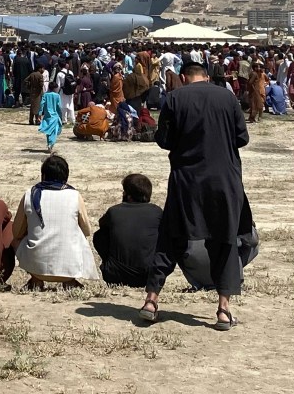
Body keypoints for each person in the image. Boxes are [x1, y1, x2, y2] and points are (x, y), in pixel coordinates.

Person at [141, 61, 252, 330]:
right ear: (206, 75)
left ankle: (151, 300)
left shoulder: (175, 98)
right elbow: (242, 138)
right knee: (224, 241)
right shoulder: (227, 97)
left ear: (183, 76)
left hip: (186, 180)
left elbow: (164, 140)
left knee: (171, 238)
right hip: (224, 180)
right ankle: (223, 309)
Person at [13, 155, 99, 290]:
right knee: (80, 237)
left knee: (16, 240)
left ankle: (36, 280)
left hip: (36, 267)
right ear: (66, 176)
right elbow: (87, 231)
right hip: (69, 268)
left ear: (43, 175)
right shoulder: (74, 195)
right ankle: (70, 281)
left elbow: (16, 232)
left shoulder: (30, 194)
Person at [93, 174, 162, 288]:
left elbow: (102, 226)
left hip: (115, 275)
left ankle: (110, 266)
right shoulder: (157, 212)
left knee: (100, 235)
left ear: (129, 196)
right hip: (149, 275)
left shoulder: (114, 211)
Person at [38, 81, 64, 153]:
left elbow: (41, 104)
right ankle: (50, 144)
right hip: (55, 116)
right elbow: (59, 107)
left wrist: (40, 114)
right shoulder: (57, 96)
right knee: (54, 131)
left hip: (47, 116)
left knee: (48, 131)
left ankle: (49, 143)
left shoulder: (45, 95)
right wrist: (61, 116)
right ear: (55, 88)